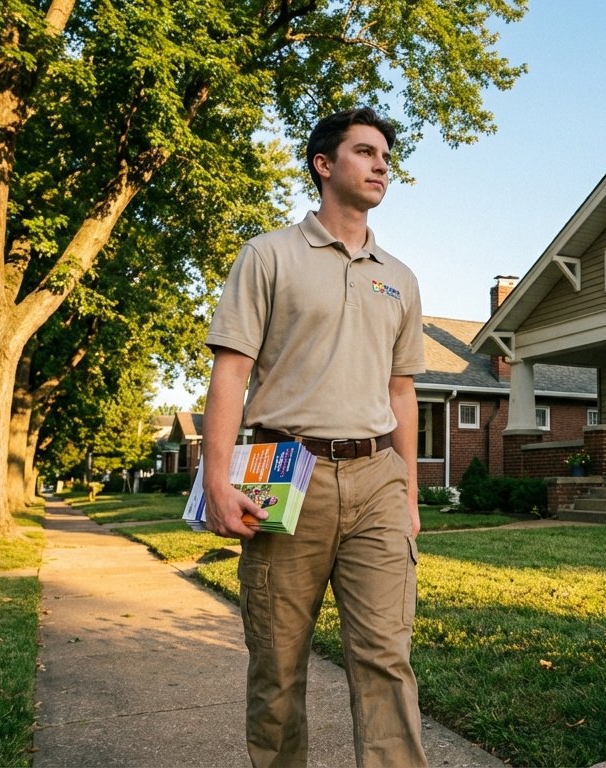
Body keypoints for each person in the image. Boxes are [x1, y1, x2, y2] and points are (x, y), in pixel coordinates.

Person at [201, 106, 427, 768]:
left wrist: (410, 493)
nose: (381, 165)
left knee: (386, 658)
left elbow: (402, 392)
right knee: (277, 665)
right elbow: (230, 372)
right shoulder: (267, 255)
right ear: (324, 165)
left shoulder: (400, 278)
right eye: (365, 152)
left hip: (378, 479)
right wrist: (216, 480)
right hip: (283, 471)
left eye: (386, 156)